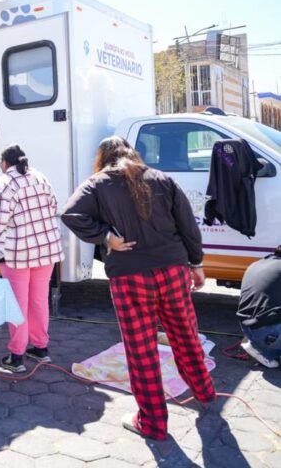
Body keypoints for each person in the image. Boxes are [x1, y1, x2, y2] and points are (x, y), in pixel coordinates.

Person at [61, 136, 216, 441]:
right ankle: (205, 392)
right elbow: (188, 226)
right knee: (185, 334)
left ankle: (153, 423)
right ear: (133, 153)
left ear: (102, 156)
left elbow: (70, 214)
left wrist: (106, 237)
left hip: (130, 277)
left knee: (141, 350)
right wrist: (196, 264)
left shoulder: (97, 183)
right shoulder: (160, 178)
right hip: (173, 270)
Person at [0, 145, 63, 373]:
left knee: (17, 304)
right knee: (38, 301)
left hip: (17, 253)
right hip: (46, 250)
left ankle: (16, 356)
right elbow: (54, 207)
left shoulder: (3, 184)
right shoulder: (41, 177)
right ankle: (40, 348)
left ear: (4, 163)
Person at [237, 247, 281, 368]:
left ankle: (262, 347)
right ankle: (266, 352)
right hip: (266, 331)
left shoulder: (258, 263)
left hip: (249, 326)